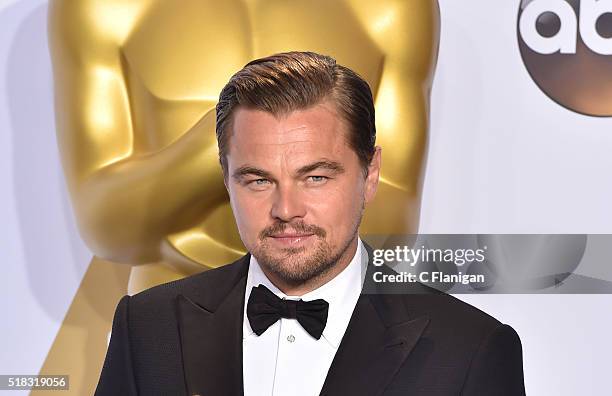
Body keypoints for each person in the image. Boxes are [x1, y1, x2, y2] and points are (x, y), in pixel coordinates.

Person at [95, 52, 526, 396]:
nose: (286, 208)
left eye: (315, 177)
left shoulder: (469, 350)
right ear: (226, 178)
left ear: (369, 174)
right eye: (259, 179)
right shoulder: (148, 328)